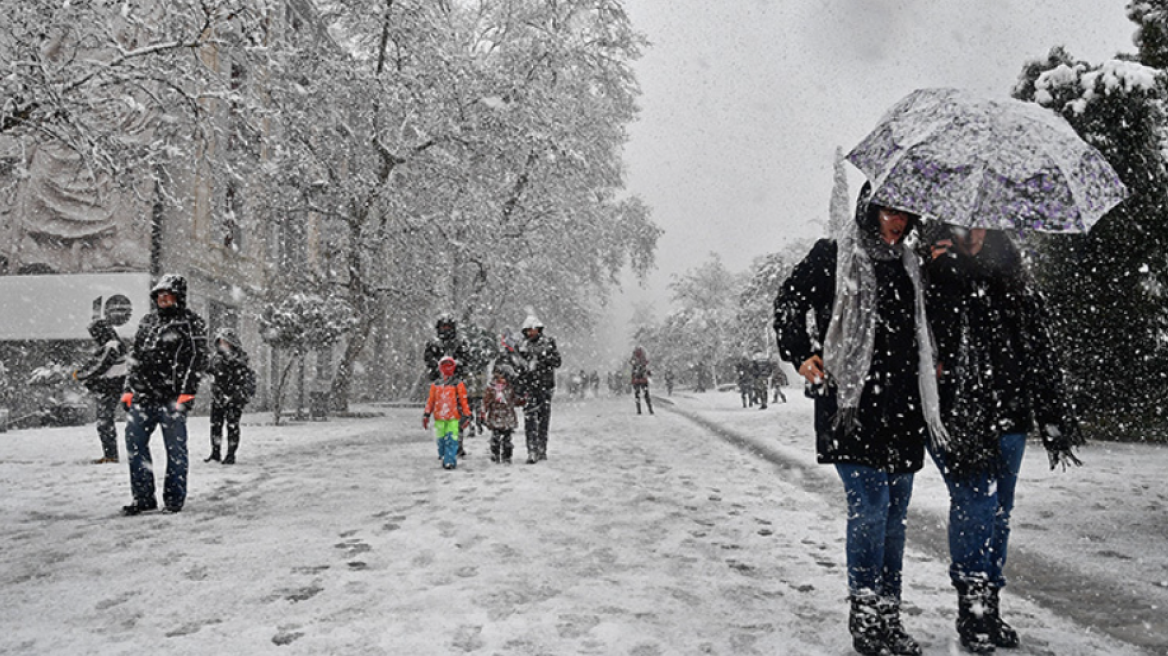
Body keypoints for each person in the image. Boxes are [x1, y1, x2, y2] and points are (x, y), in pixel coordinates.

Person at [773, 183, 949, 656]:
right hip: (853, 404)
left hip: (904, 406)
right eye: (890, 210)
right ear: (870, 210)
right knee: (870, 508)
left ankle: (889, 614)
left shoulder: (913, 264)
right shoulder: (834, 254)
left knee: (894, 515)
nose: (898, 221)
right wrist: (801, 353)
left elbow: (931, 324)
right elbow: (788, 300)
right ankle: (865, 614)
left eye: (906, 212)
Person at [925, 226, 1082, 653]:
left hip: (1008, 413)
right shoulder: (931, 271)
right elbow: (914, 335)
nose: (971, 230)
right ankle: (972, 605)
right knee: (976, 501)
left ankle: (990, 604)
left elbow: (1038, 348)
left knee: (999, 512)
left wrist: (1051, 416)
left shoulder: (1011, 273)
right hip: (955, 414)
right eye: (962, 222)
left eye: (980, 220)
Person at [120, 274, 208, 515]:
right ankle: (143, 497)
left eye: (168, 294)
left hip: (172, 398)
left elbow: (198, 359)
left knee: (175, 450)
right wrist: (128, 389)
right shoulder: (148, 322)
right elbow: (134, 357)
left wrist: (187, 393)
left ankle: (173, 499)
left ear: (179, 296)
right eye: (159, 294)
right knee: (134, 444)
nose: (163, 298)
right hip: (143, 396)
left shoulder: (192, 323)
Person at [72, 318, 128, 464]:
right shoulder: (113, 344)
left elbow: (100, 365)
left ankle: (110, 456)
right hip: (112, 386)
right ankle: (110, 455)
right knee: (104, 421)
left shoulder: (111, 345)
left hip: (110, 387)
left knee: (104, 422)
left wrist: (81, 375)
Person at [511, 314, 561, 464]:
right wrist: (519, 387)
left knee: (543, 420)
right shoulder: (521, 346)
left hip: (545, 386)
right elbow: (517, 368)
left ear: (539, 329)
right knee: (530, 420)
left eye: (534, 329)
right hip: (529, 387)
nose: (531, 332)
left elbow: (557, 362)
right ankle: (531, 450)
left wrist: (541, 360)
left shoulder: (549, 343)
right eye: (528, 330)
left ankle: (542, 449)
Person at [204, 328, 256, 465]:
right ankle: (215, 453)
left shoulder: (240, 360)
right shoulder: (216, 359)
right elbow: (209, 371)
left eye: (225, 342)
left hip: (234, 399)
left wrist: (236, 395)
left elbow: (246, 380)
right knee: (216, 426)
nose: (222, 345)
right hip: (218, 397)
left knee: (232, 426)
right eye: (220, 342)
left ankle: (230, 455)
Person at [423, 312, 471, 456]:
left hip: (456, 383)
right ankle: (444, 444)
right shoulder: (433, 343)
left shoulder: (460, 342)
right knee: (441, 416)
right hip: (439, 384)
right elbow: (427, 358)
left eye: (448, 326)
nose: (446, 329)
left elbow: (466, 359)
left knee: (459, 415)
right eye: (443, 326)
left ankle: (457, 443)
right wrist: (439, 367)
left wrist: (454, 366)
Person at [423, 356, 472, 470]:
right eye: (445, 366)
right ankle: (444, 455)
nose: (447, 369)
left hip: (453, 418)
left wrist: (467, 414)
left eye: (450, 366)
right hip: (439, 418)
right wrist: (426, 414)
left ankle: (449, 461)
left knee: (451, 439)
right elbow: (431, 401)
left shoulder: (457, 384)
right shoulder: (436, 385)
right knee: (441, 441)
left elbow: (463, 400)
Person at [482, 364, 521, 463]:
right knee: (495, 438)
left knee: (507, 439)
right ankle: (495, 454)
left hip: (507, 416)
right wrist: (483, 412)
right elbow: (486, 401)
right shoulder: (491, 388)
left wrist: (522, 399)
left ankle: (506, 456)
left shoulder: (511, 387)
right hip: (497, 415)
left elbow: (516, 400)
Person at [629, 346, 654, 415]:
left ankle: (639, 410)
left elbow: (631, 364)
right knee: (646, 395)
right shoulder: (644, 358)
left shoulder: (634, 358)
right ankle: (650, 409)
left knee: (637, 395)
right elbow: (647, 366)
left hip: (636, 378)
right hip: (643, 378)